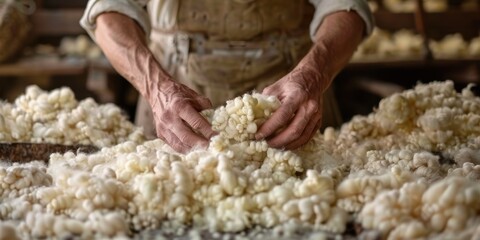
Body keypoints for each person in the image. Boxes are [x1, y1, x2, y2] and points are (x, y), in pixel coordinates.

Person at [80, 0, 373, 153]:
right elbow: (109, 11)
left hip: (293, 91)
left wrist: (313, 75)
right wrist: (157, 88)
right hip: (176, 90)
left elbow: (346, 7)